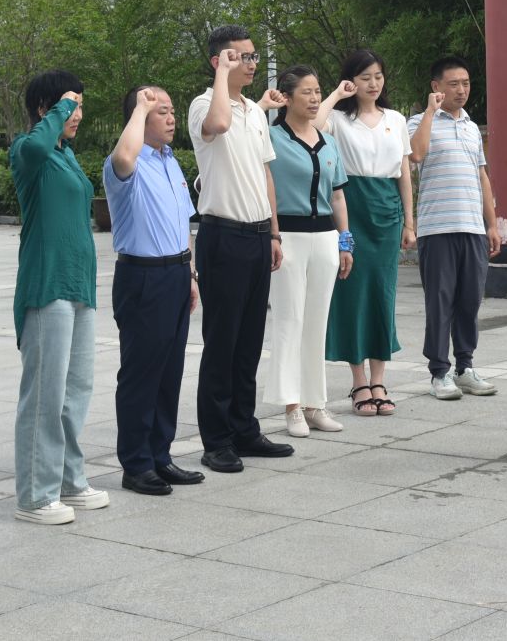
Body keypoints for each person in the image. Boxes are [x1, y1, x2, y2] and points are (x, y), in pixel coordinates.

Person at [188, 25, 291, 473]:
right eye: (239, 57)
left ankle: (245, 429)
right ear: (217, 61)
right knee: (223, 342)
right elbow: (218, 125)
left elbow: (265, 173)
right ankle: (216, 440)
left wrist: (274, 233)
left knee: (250, 341)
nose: (250, 64)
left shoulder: (254, 111)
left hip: (256, 235)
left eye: (252, 56)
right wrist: (221, 77)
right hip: (223, 236)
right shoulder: (203, 105)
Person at [11, 69, 107, 525]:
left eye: (81, 106)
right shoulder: (28, 151)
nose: (77, 114)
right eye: (70, 105)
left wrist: (67, 105)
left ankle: (69, 479)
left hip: (78, 285)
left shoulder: (66, 156)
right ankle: (35, 494)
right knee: (45, 394)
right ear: (43, 109)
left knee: (75, 390)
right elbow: (34, 147)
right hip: (46, 284)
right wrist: (61, 107)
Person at [103, 85, 205, 495]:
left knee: (168, 372)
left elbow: (184, 225)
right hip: (143, 277)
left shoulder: (170, 161)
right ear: (138, 118)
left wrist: (191, 275)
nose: (170, 117)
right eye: (159, 111)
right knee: (141, 374)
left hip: (176, 274)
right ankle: (136, 464)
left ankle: (160, 455)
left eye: (170, 110)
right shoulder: (125, 164)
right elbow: (124, 158)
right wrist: (140, 107)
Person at [324, 49, 412, 416]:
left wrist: (410, 222)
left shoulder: (396, 119)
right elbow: (312, 124)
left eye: (378, 76)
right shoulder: (338, 120)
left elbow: (404, 172)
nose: (373, 83)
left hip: (387, 211)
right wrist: (336, 94)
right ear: (351, 80)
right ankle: (359, 381)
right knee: (353, 293)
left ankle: (379, 380)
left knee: (382, 294)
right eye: (365, 78)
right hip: (352, 209)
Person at [266, 65, 353, 437]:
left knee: (317, 322)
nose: (316, 98)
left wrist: (345, 242)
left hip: (325, 239)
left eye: (318, 91)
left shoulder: (328, 141)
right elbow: (265, 189)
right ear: (286, 98)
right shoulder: (271, 139)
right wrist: (272, 235)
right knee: (289, 321)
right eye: (307, 92)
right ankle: (291, 406)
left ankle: (315, 404)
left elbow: (338, 196)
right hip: (288, 237)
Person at [407, 55, 500, 400]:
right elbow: (416, 155)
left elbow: (482, 176)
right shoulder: (418, 121)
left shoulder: (471, 127)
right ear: (436, 87)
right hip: (437, 227)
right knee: (440, 301)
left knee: (469, 301)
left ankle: (465, 367)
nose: (462, 90)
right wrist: (430, 113)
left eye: (466, 83)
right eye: (454, 84)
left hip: (472, 227)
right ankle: (439, 373)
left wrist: (492, 223)